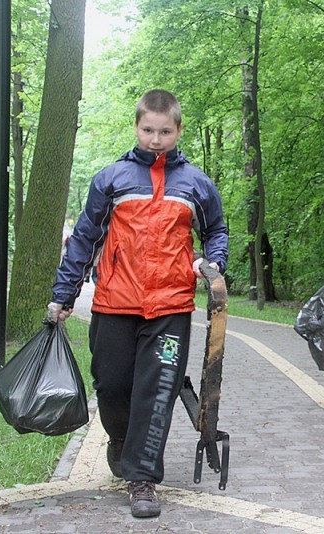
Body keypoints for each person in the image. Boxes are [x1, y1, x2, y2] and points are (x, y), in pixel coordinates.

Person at [47, 89, 229, 518]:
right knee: (111, 386)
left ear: (178, 130)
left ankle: (144, 479)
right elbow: (84, 241)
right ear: (137, 127)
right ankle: (120, 439)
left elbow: (216, 230)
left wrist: (213, 262)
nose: (156, 139)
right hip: (114, 302)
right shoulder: (111, 180)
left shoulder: (197, 185)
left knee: (157, 391)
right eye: (148, 130)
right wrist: (63, 294)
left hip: (170, 307)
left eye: (165, 131)